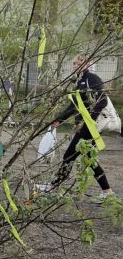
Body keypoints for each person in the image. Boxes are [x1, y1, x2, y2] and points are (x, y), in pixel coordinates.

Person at [36, 55, 114, 201]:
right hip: (82, 126)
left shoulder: (92, 79)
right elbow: (73, 106)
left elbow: (102, 100)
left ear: (86, 64)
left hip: (89, 126)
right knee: (89, 158)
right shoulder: (78, 83)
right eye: (73, 63)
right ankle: (107, 191)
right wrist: (58, 120)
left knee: (69, 156)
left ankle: (54, 186)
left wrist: (90, 119)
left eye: (78, 63)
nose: (75, 65)